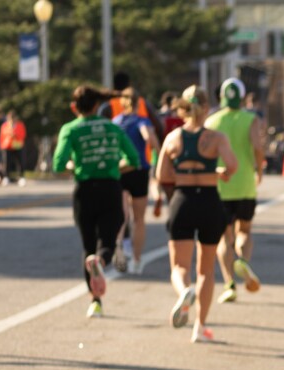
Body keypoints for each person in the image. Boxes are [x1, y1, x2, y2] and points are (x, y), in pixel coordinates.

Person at [155, 86, 238, 343]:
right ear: (206, 108)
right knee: (206, 270)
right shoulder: (216, 138)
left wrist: (184, 174)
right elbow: (232, 166)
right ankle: (200, 327)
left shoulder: (173, 138)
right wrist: (218, 172)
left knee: (179, 266)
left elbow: (162, 175)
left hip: (183, 201)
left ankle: (184, 291)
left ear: (182, 108)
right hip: (210, 202)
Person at [52, 86, 140, 319]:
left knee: (88, 245)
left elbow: (59, 164)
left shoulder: (70, 129)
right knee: (108, 239)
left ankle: (95, 301)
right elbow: (134, 159)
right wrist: (113, 167)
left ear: (74, 107)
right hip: (111, 189)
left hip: (84, 191)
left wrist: (76, 167)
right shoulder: (113, 128)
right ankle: (101, 260)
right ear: (97, 106)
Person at [205, 78, 266, 304]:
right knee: (245, 231)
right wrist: (259, 169)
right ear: (241, 97)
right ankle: (244, 261)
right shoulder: (251, 119)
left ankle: (230, 283)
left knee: (224, 238)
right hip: (245, 184)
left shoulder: (212, 121)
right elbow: (258, 148)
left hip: (221, 185)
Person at [112, 88, 159, 274]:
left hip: (120, 170)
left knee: (122, 217)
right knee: (139, 218)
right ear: (139, 102)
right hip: (139, 171)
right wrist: (156, 152)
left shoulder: (116, 122)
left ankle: (119, 251)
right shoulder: (141, 121)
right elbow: (150, 138)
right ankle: (137, 260)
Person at [0, 110, 27, 185]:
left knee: (20, 162)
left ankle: (21, 177)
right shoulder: (5, 125)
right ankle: (6, 177)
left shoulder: (20, 125)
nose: (11, 119)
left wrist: (15, 135)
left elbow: (23, 135)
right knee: (6, 162)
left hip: (17, 145)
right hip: (7, 146)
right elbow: (2, 136)